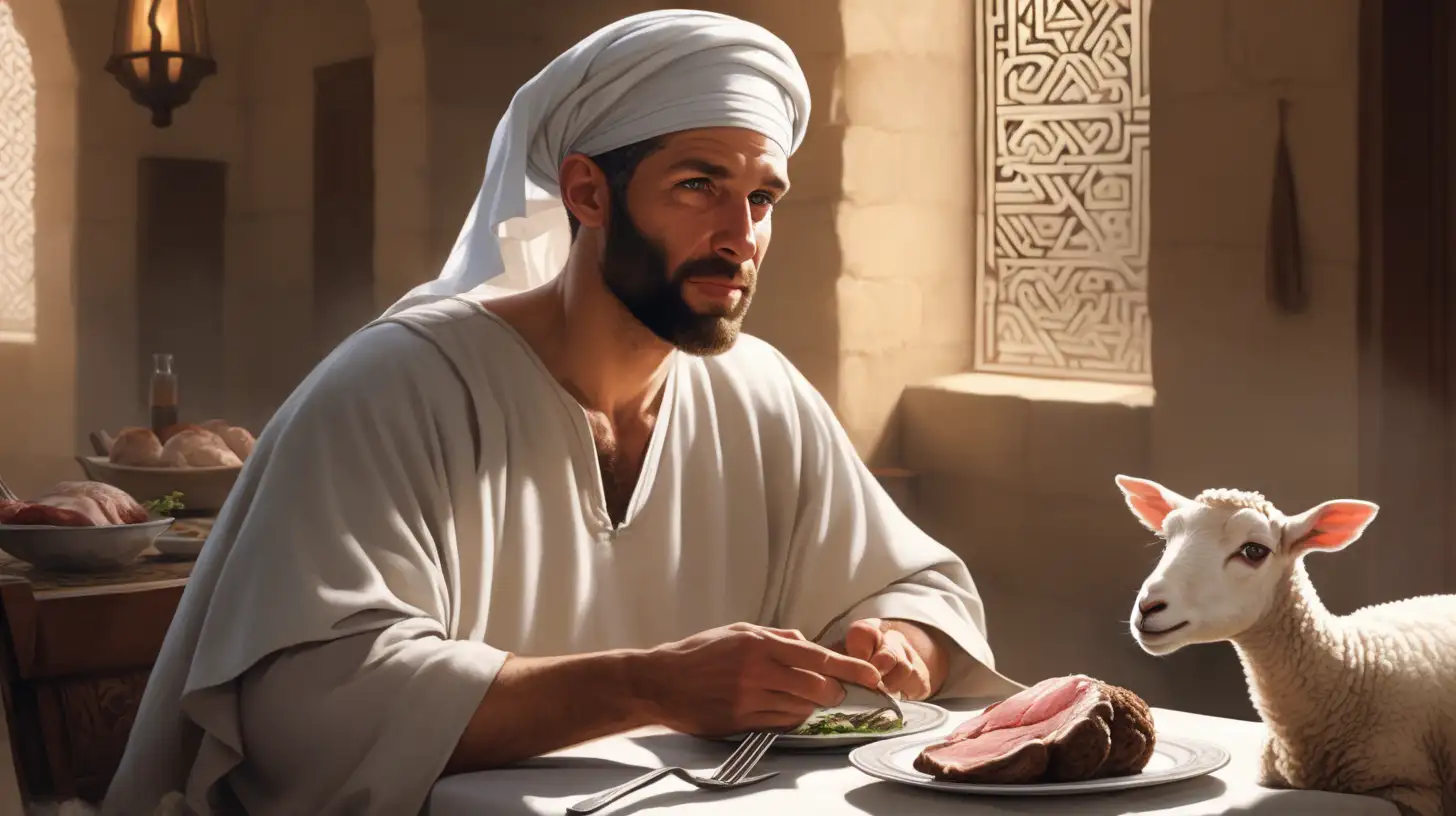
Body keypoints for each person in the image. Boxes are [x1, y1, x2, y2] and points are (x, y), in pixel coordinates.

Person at [104, 10, 1020, 815]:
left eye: (762, 197)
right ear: (587, 192)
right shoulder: (394, 388)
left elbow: (918, 587)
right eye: (699, 185)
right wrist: (651, 685)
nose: (740, 236)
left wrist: (900, 641)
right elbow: (310, 702)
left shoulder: (763, 392)